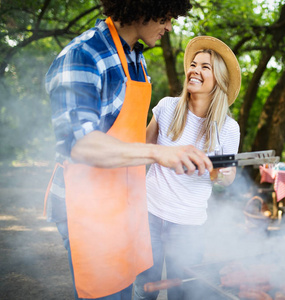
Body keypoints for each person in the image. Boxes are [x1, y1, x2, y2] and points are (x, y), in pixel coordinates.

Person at [44, 1, 213, 300]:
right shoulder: (82, 54)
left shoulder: (136, 58)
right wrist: (158, 154)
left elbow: (133, 137)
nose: (169, 27)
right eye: (165, 17)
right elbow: (81, 145)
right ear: (142, 7)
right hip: (88, 205)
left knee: (125, 294)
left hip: (126, 205)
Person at [133, 36, 241, 300]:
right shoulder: (167, 107)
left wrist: (220, 173)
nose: (195, 70)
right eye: (194, 64)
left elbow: (227, 178)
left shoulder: (229, 128)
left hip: (189, 225)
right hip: (149, 214)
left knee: (182, 293)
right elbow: (142, 153)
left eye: (206, 67)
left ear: (219, 79)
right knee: (144, 287)